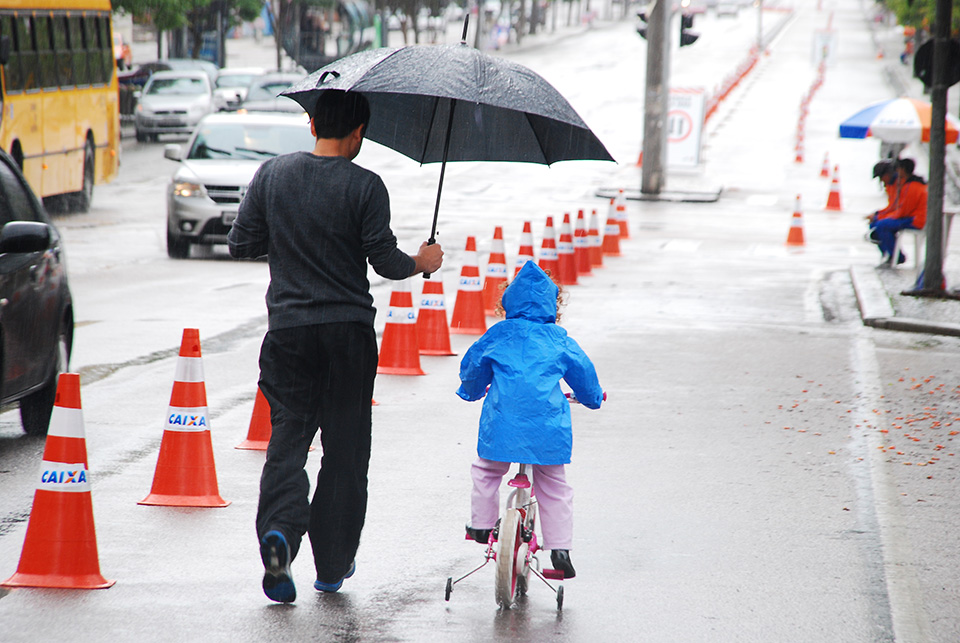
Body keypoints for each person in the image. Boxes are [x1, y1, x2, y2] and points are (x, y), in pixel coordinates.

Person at [227, 89, 444, 603]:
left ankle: (278, 533)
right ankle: (331, 564)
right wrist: (422, 261)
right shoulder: (366, 186)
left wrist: (286, 234)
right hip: (347, 335)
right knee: (345, 451)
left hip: (288, 334)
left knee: (288, 441)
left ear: (312, 126)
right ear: (357, 135)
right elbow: (385, 261)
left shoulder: (271, 175)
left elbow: (241, 243)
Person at [456, 261, 603, 579]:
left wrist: (471, 390)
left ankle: (481, 526)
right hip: (548, 430)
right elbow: (584, 374)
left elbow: (473, 366)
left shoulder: (498, 335)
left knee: (486, 471)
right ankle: (560, 548)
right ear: (553, 304)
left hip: (501, 427)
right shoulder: (559, 339)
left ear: (508, 302)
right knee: (554, 486)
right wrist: (592, 399)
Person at [867, 158, 927, 267]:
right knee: (877, 225)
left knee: (881, 225)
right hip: (912, 217)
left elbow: (901, 211)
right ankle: (891, 255)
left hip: (916, 220)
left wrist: (879, 217)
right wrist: (878, 215)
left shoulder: (910, 186)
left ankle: (896, 257)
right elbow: (895, 207)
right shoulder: (906, 184)